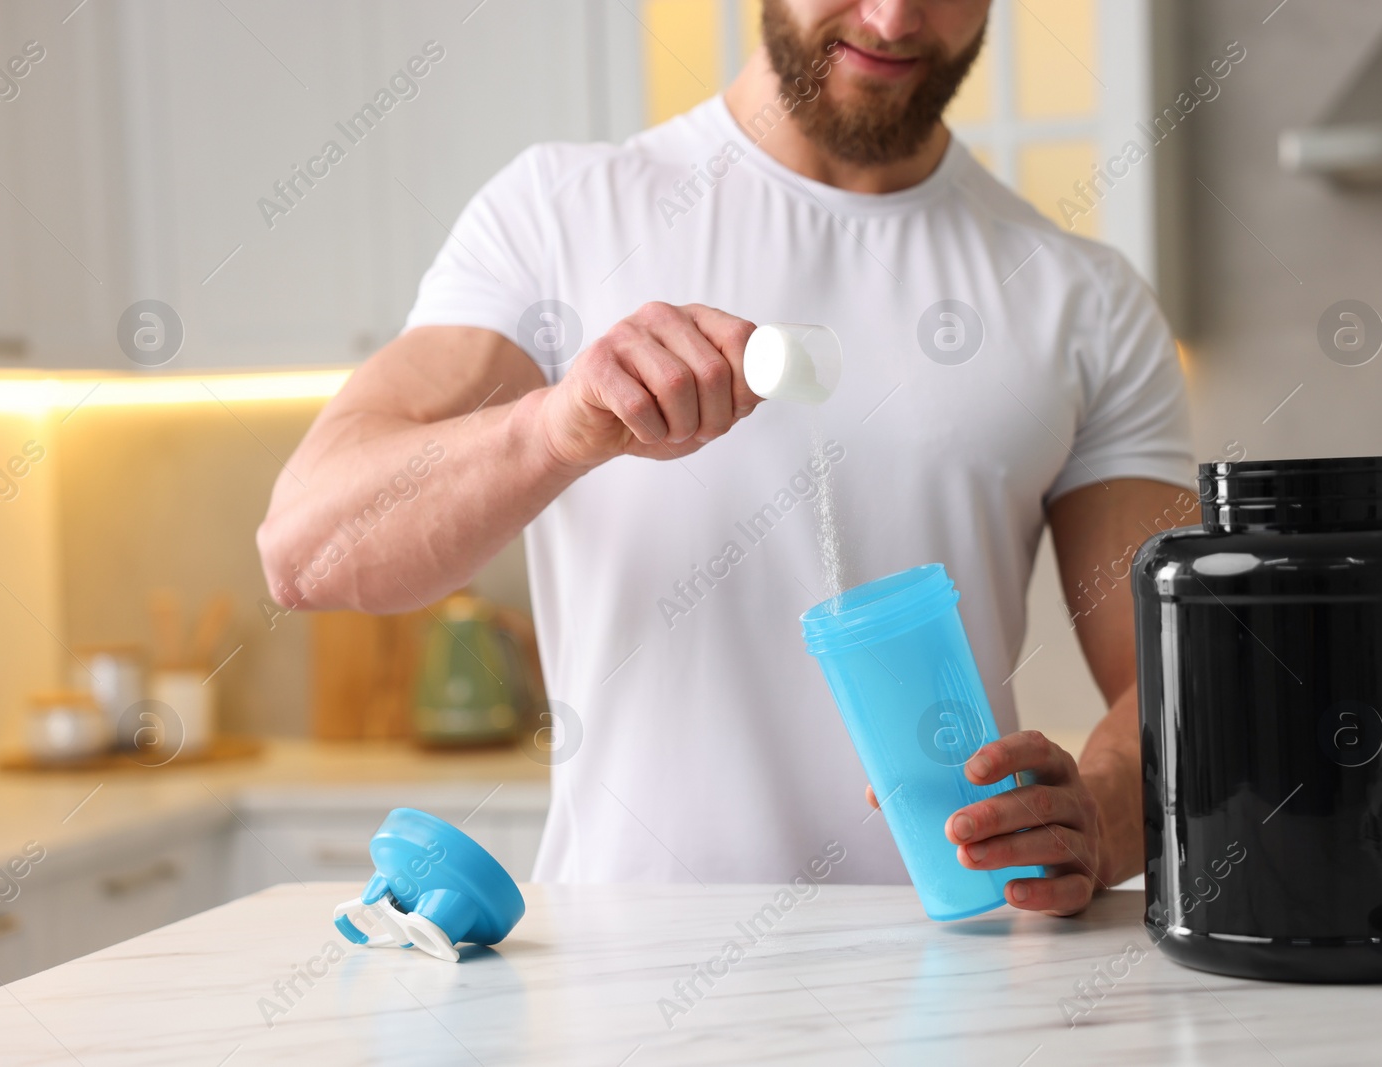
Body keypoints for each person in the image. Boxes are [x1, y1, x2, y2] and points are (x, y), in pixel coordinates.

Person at [256, 0, 1193, 917]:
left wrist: (1098, 815)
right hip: (624, 984)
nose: (896, 18)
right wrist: (553, 429)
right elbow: (305, 551)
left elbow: (1185, 676)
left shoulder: (1081, 296)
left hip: (958, 968)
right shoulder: (559, 215)